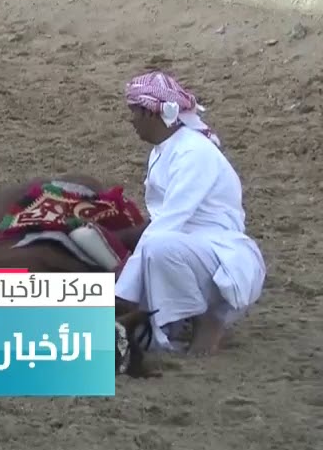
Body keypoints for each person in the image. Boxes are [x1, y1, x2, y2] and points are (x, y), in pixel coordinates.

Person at [114, 70, 266, 355]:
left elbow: (167, 224)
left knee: (157, 247)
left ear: (150, 114)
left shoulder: (193, 153)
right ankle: (177, 320)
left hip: (220, 259)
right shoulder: (165, 149)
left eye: (134, 112)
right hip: (190, 250)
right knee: (152, 251)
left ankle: (209, 321)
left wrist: (120, 292)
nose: (131, 120)